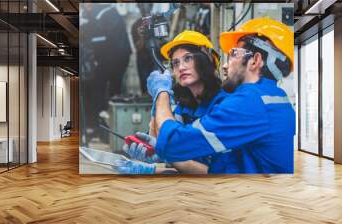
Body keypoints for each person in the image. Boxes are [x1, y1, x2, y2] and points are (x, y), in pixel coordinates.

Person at [142, 18, 295, 173]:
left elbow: (173, 143)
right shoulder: (273, 97)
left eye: (234, 54)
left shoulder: (250, 102)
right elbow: (222, 168)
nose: (225, 64)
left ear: (255, 60)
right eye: (175, 63)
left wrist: (161, 92)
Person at [116, 30, 241, 174]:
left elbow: (215, 173)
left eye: (188, 58)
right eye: (175, 63)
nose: (181, 67)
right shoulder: (184, 108)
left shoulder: (224, 105)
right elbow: (159, 137)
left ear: (207, 59)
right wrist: (152, 152)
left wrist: (160, 162)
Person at [80, 4, 131, 144]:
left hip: (113, 57)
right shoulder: (104, 12)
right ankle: (105, 126)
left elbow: (99, 39)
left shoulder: (101, 13)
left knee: (100, 90)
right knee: (110, 90)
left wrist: (96, 59)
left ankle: (102, 127)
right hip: (117, 56)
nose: (85, 6)